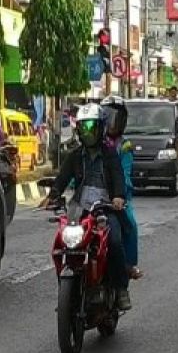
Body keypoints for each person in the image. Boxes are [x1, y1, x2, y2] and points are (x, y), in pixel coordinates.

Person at [42, 103, 132, 311]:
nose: (88, 132)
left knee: (115, 242)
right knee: (61, 242)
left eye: (92, 127)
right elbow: (62, 178)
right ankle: (66, 293)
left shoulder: (110, 155)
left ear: (101, 128)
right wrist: (53, 195)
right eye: (84, 127)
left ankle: (120, 289)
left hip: (105, 208)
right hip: (80, 209)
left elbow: (118, 178)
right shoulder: (75, 156)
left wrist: (118, 197)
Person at [101, 96, 142, 281]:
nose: (111, 123)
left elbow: (125, 173)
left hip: (119, 198)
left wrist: (119, 192)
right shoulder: (94, 142)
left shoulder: (124, 146)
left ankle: (129, 265)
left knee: (130, 224)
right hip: (94, 196)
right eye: (108, 117)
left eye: (115, 118)